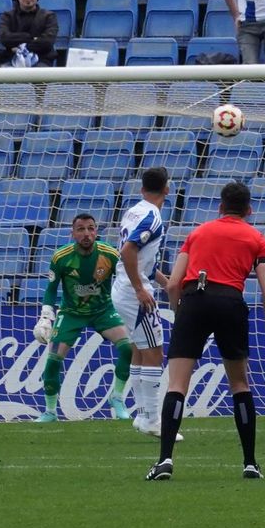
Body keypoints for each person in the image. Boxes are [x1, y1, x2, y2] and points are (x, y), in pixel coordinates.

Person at [145, 181, 265, 480]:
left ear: (220, 207)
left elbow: (172, 283)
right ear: (249, 209)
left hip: (194, 299)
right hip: (230, 302)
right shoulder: (257, 238)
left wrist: (181, 313)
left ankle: (165, 460)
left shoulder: (197, 233)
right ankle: (249, 463)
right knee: (240, 385)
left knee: (177, 384)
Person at [30, 213, 131, 423]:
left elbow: (127, 277)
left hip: (103, 310)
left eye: (91, 228)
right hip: (71, 313)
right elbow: (50, 290)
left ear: (96, 231)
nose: (87, 233)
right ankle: (50, 411)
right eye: (81, 229)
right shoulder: (61, 256)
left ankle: (117, 398)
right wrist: (46, 316)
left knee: (128, 348)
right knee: (52, 362)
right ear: (73, 233)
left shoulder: (110, 254)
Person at [111, 167, 174, 437]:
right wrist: (140, 288)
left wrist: (165, 282)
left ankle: (142, 416)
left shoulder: (133, 210)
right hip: (133, 291)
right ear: (167, 189)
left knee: (139, 349)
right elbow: (127, 251)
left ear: (141, 189)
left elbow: (140, 257)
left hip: (123, 286)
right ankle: (151, 419)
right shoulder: (153, 216)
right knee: (154, 352)